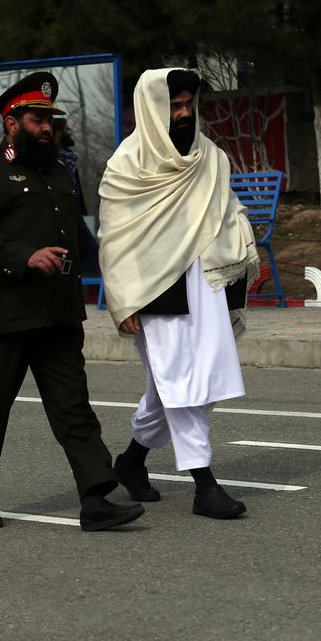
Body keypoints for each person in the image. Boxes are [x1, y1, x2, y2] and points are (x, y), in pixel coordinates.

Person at [0, 71, 143, 532]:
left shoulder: (59, 170)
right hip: (2, 312)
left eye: (49, 119)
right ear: (12, 122)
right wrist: (24, 256)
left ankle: (96, 498)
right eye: (37, 118)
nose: (46, 126)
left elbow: (78, 236)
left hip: (57, 311)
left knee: (73, 407)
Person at [98, 68, 259, 520]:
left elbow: (228, 210)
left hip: (206, 284)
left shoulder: (210, 156)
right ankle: (204, 485)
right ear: (153, 108)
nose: (184, 113)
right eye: (175, 106)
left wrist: (241, 245)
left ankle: (131, 462)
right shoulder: (127, 165)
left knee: (186, 385)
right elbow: (115, 241)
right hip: (155, 291)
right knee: (181, 384)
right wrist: (124, 300)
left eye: (189, 104)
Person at [54, 116, 100, 280]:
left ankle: (87, 285)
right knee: (87, 248)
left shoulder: (68, 156)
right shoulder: (55, 156)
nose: (70, 132)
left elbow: (76, 186)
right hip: (64, 210)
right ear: (58, 132)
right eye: (67, 129)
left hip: (74, 210)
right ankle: (91, 284)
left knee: (82, 250)